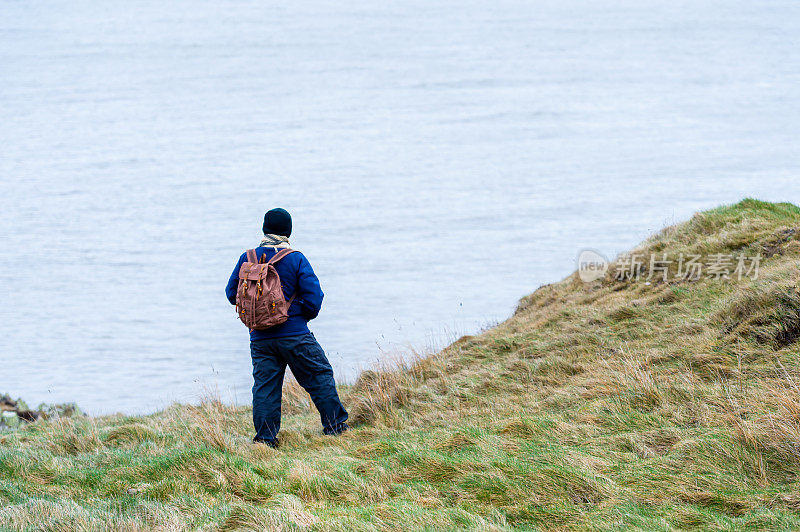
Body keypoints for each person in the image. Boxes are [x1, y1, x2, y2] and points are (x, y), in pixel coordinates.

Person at [226, 208, 349, 447]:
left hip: (260, 338)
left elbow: (232, 294)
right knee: (319, 376)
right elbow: (314, 298)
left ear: (264, 229)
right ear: (288, 231)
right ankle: (335, 427)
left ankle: (265, 440)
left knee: (265, 388)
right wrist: (297, 315)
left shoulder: (247, 258)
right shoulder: (295, 258)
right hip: (295, 334)